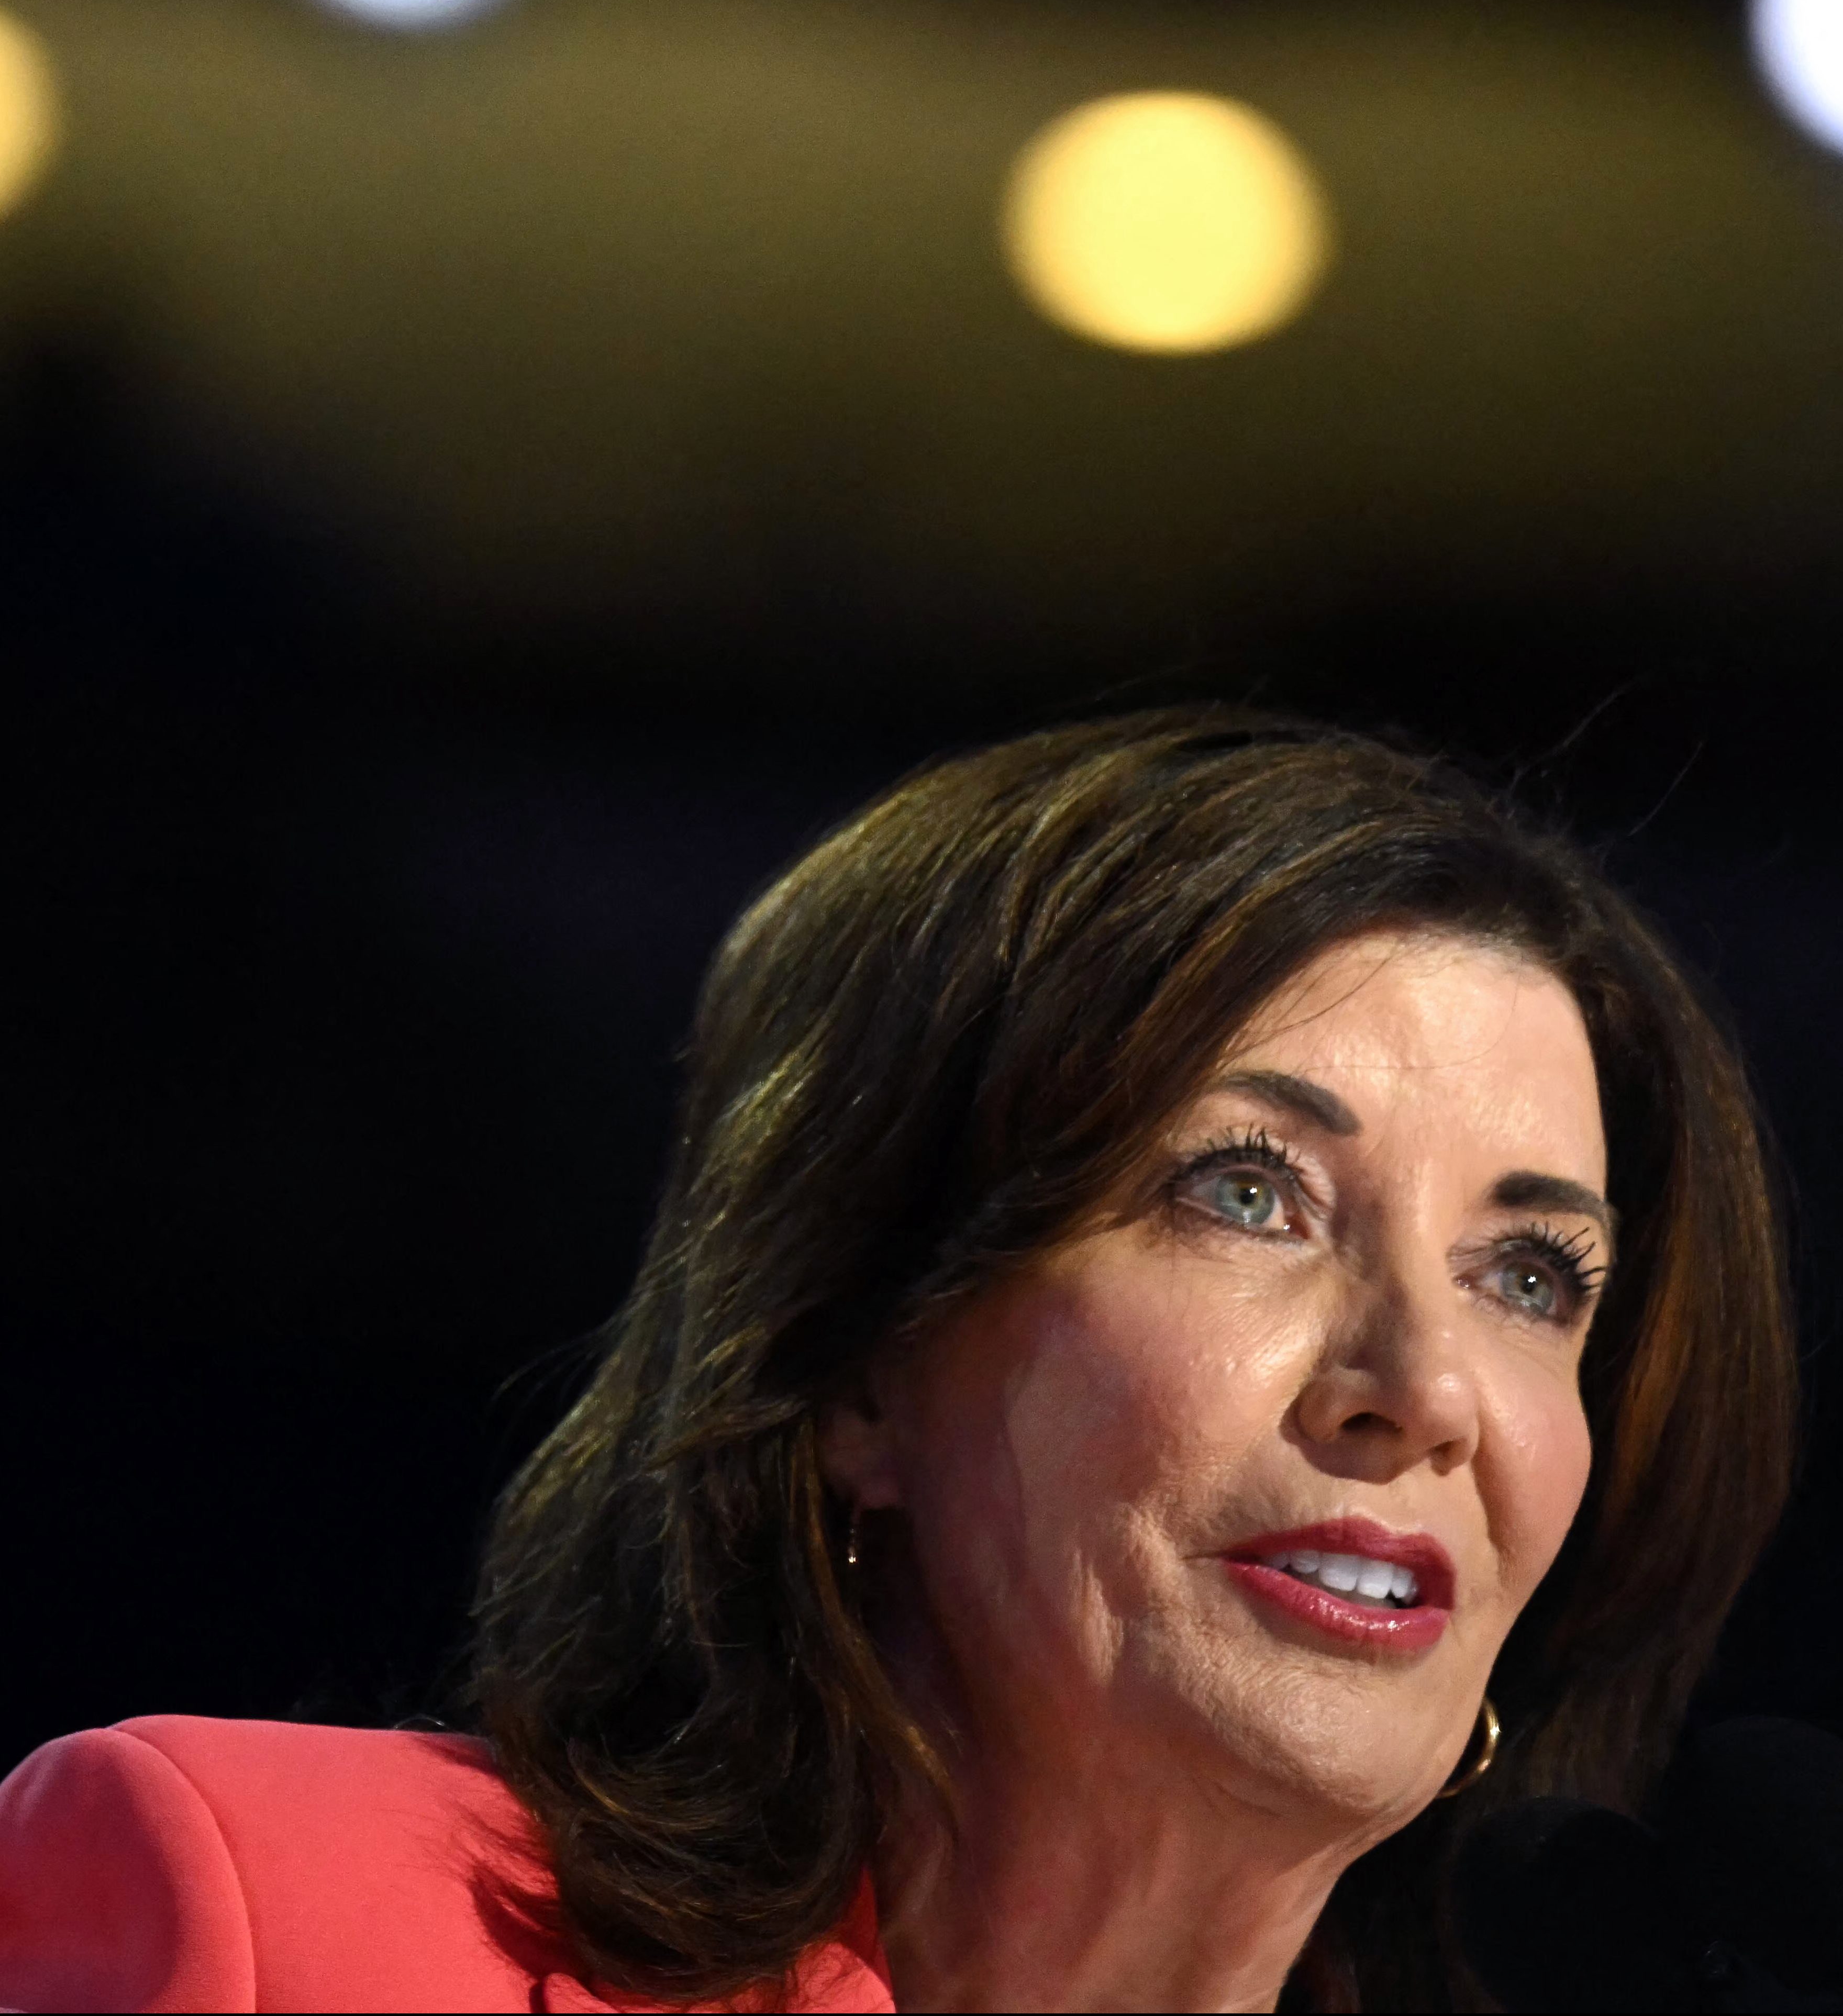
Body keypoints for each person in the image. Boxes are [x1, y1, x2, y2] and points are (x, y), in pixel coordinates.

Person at [0, 712, 1796, 2013]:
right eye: (1249, 1193)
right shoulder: (269, 1922)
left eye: (1532, 1272)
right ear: (864, 1351)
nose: (1423, 1385)